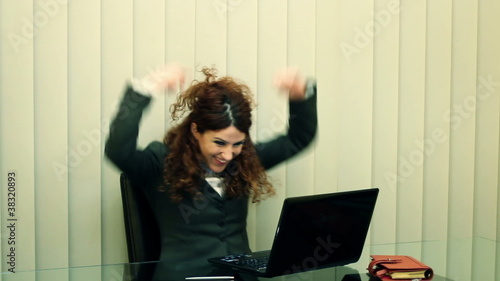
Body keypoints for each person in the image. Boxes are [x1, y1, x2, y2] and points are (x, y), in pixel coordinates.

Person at [105, 64, 318, 280]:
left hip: (241, 277)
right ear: (196, 130)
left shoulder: (244, 161)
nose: (227, 155)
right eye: (219, 143)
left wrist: (301, 95)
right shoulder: (161, 162)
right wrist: (145, 89)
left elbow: (299, 138)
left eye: (237, 144)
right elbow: (118, 151)